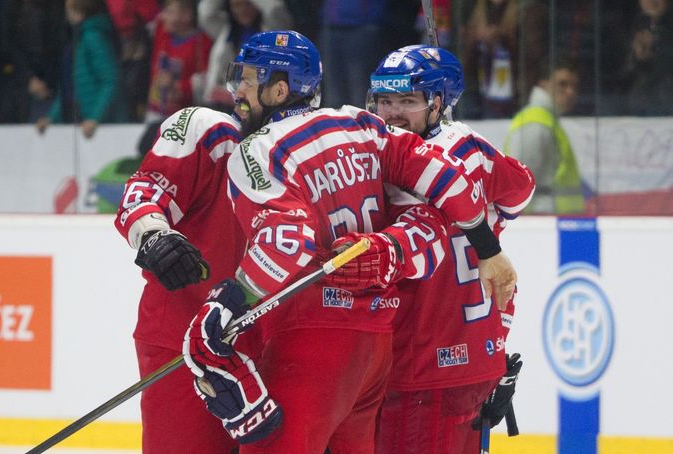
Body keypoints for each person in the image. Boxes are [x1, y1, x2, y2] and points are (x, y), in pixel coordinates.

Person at [181, 30, 518, 452]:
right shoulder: (359, 125)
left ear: (279, 89)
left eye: (248, 79)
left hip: (312, 342)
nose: (237, 90)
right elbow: (452, 180)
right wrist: (488, 245)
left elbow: (288, 239)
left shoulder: (257, 150)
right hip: (374, 348)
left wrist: (233, 298)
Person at [363, 45, 534, 453]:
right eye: (385, 101)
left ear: (438, 103)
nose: (393, 113)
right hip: (475, 358)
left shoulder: (403, 173)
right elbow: (520, 192)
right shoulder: (471, 147)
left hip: (422, 367)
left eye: (408, 101)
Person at [114, 107, 263, 453]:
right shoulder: (213, 132)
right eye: (241, 76)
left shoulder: (310, 142)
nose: (241, 90)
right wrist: (153, 235)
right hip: (185, 339)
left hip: (275, 341)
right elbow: (144, 191)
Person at [504, 56, 583, 215]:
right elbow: (520, 186)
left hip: (552, 224)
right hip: (542, 224)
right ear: (543, 83)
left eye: (574, 86)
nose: (570, 92)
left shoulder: (544, 120)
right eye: (562, 84)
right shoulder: (536, 124)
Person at [36, 0, 126, 138]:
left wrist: (95, 118)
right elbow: (70, 86)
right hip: (84, 121)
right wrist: (52, 118)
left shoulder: (93, 37)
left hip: (102, 126)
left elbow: (111, 80)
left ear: (78, 13)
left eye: (68, 10)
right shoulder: (78, 38)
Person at [197, 0, 292, 112]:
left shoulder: (274, 31)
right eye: (236, 5)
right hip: (224, 103)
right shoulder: (225, 30)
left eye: (247, 4)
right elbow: (206, 12)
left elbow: (274, 9)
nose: (242, 10)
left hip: (261, 105)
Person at [146, 0, 213, 122]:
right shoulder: (161, 31)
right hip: (155, 110)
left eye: (171, 12)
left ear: (187, 14)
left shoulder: (201, 43)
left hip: (184, 115)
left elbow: (206, 78)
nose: (164, 16)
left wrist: (179, 87)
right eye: (166, 11)